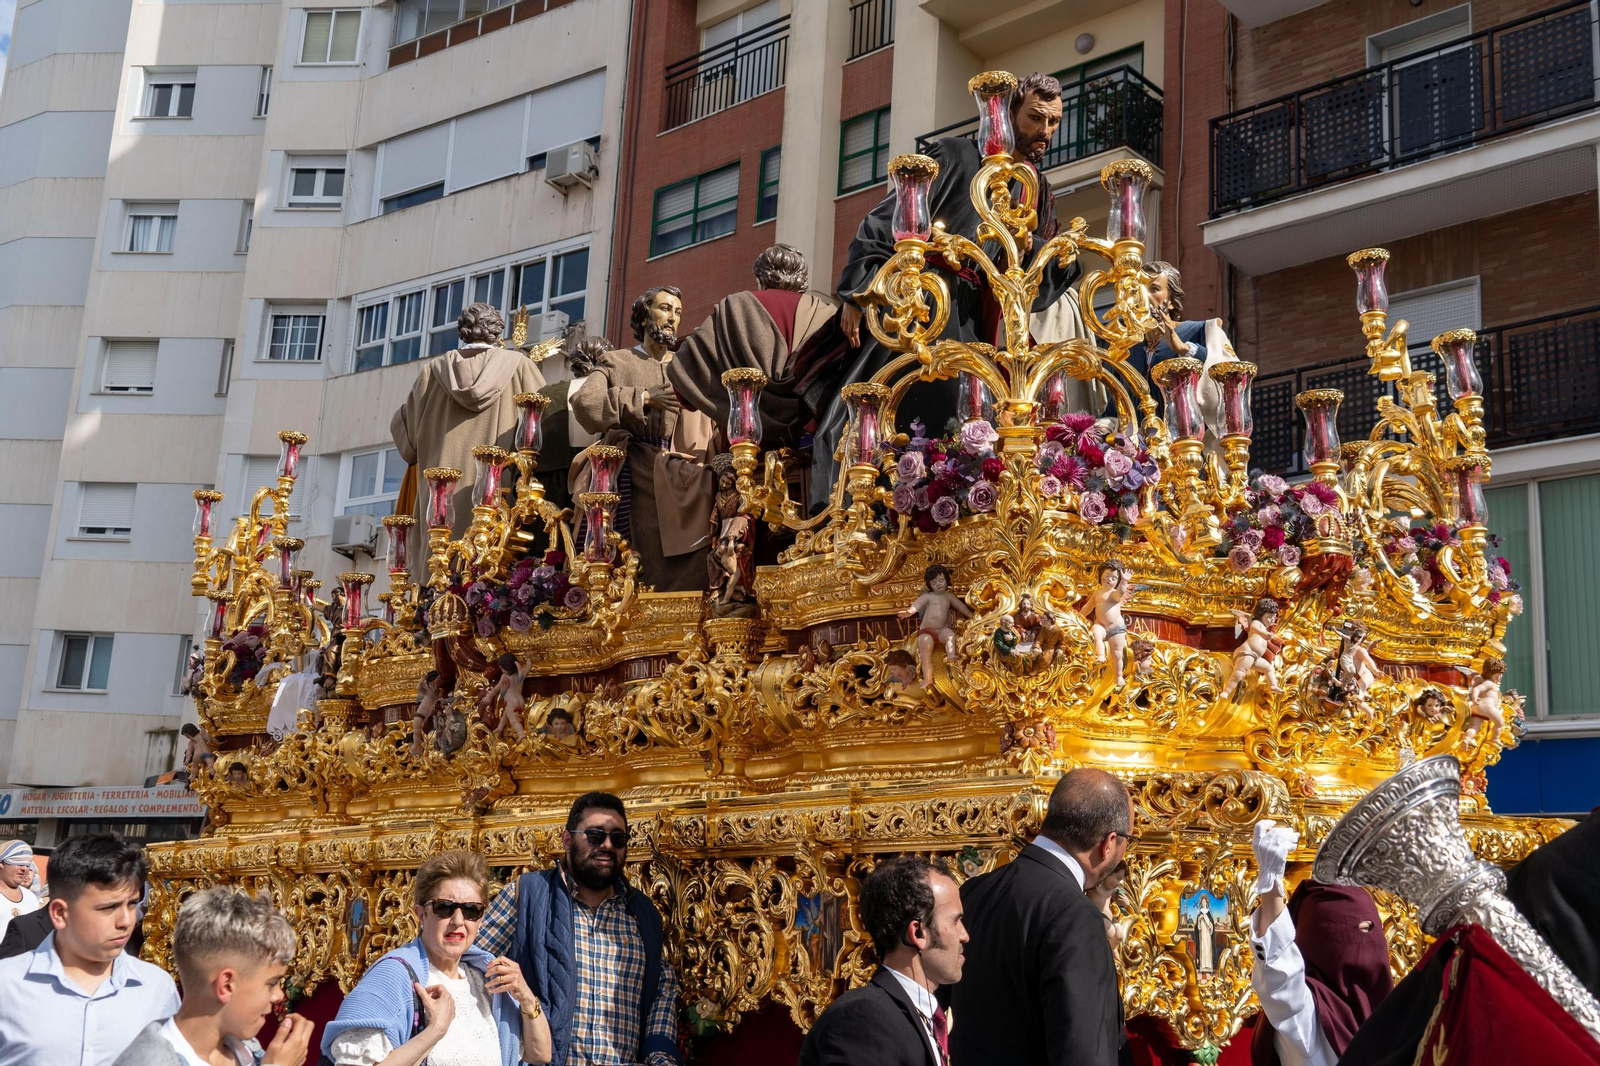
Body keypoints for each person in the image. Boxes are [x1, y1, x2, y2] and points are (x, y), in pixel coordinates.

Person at [804, 72, 1081, 511]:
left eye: (1054, 122)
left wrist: (1034, 250)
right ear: (1008, 113)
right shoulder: (954, 155)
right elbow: (886, 221)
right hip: (923, 305)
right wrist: (858, 293)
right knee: (861, 413)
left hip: (976, 326)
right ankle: (842, 515)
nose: (1045, 132)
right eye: (1035, 118)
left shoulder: (1036, 189)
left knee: (963, 429)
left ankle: (940, 511)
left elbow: (1039, 281)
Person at [476, 792, 681, 1066]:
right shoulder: (526, 895)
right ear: (567, 839)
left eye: (617, 839)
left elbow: (660, 989)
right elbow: (471, 968)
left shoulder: (643, 914)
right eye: (595, 836)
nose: (607, 845)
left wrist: (661, 1057)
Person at [951, 768, 1133, 1066]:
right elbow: (1084, 1053)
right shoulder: (1076, 915)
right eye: (1128, 842)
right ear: (1109, 842)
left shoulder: (975, 890)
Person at [323, 849, 551, 1066]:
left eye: (471, 910)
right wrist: (436, 1030)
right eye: (445, 907)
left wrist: (526, 998)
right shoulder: (392, 977)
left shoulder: (483, 979)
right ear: (421, 914)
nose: (458, 921)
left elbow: (540, 1054)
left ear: (481, 919)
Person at [571, 288, 716, 592]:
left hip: (680, 470)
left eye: (678, 312)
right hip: (630, 470)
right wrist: (644, 398)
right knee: (634, 553)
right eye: (665, 308)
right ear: (644, 314)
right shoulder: (617, 361)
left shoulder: (685, 367)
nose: (673, 318)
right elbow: (585, 403)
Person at [0, 833, 180, 1066]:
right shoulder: (7, 985)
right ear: (60, 913)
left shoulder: (158, 989)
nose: (125, 920)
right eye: (108, 907)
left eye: (132, 904)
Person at [391, 301, 546, 557]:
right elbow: (543, 420)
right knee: (493, 575)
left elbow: (407, 442)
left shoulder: (432, 372)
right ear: (496, 331)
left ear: (463, 331)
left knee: (439, 577)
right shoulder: (520, 366)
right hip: (499, 500)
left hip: (441, 507)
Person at [113, 886, 312, 1066]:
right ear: (226, 985)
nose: (278, 995)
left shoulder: (243, 1049)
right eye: (271, 983)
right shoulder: (151, 1060)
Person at [1248, 820, 1392, 1066]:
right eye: (1355, 932)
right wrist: (1270, 884)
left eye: (1372, 929)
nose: (1369, 944)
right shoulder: (1308, 1018)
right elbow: (1278, 972)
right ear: (1324, 941)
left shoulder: (1390, 1016)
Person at [666, 243, 840, 446]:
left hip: (742, 445)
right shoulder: (827, 314)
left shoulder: (734, 307)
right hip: (811, 447)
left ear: (760, 278)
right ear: (803, 279)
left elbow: (684, 378)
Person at [799, 856, 967, 1066]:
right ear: (918, 933)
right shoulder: (864, 1020)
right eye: (956, 921)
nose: (964, 935)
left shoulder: (917, 1015)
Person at [536, 336, 609, 513]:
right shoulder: (618, 394)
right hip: (601, 483)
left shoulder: (547, 393)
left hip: (549, 488)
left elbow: (525, 446)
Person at [0, 840, 43, 943]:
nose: (24, 869)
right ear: (2, 864)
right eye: (18, 863)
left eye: (28, 865)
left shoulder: (31, 898)